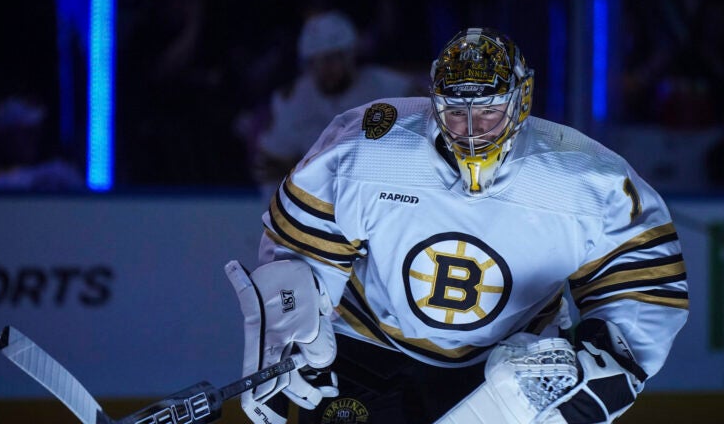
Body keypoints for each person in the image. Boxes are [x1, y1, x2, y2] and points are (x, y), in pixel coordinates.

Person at [226, 27, 689, 424]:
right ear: (434, 101)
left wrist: (595, 365)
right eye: (455, 111)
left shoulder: (588, 179)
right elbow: (302, 244)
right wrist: (295, 328)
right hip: (365, 350)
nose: (470, 128)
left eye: (488, 109)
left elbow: (640, 290)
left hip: (510, 370)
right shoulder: (372, 144)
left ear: (521, 100)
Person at [251, 9, 420, 202]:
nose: (326, 68)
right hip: (318, 204)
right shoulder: (292, 101)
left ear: (350, 55)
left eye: (334, 58)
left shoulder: (389, 87)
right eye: (317, 61)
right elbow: (269, 165)